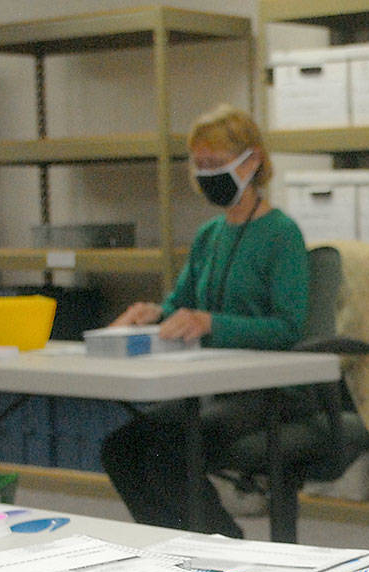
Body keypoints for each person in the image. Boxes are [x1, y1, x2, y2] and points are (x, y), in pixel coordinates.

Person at [100, 104, 310, 537]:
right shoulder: (209, 236)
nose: (206, 174)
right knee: (120, 448)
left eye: (215, 164)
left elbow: (289, 327)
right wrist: (151, 315)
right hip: (210, 386)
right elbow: (181, 305)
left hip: (266, 392)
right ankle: (174, 545)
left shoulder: (281, 234)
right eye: (199, 165)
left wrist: (212, 323)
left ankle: (227, 547)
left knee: (166, 448)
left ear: (252, 162)